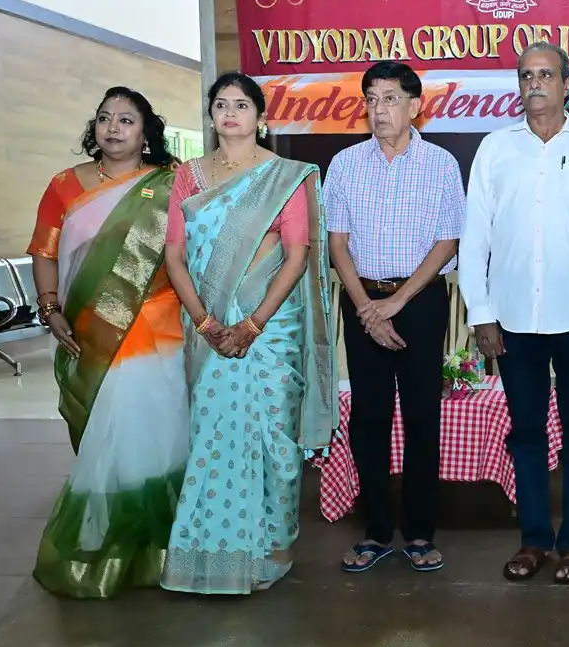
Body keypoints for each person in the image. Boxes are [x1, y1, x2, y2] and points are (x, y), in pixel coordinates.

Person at [460, 42, 569, 584]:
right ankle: (534, 540)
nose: (534, 83)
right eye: (525, 75)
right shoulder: (494, 148)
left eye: (545, 74)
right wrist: (480, 312)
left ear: (566, 84)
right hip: (512, 319)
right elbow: (475, 237)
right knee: (526, 432)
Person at [161, 71, 336, 595]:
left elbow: (298, 253)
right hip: (208, 322)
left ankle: (276, 546)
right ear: (211, 115)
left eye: (241, 104)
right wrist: (207, 322)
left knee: (275, 437)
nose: (230, 113)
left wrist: (254, 323)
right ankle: (213, 552)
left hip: (272, 327)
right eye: (220, 104)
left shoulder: (286, 175)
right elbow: (174, 255)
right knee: (211, 436)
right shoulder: (189, 177)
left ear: (262, 117)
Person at [27, 87, 188, 599]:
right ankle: (104, 543)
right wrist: (50, 307)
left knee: (154, 433)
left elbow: (191, 254)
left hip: (159, 327)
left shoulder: (170, 183)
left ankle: (161, 544)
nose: (113, 128)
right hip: (88, 329)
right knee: (106, 435)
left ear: (147, 134)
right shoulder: (64, 185)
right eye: (104, 119)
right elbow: (44, 252)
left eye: (126, 120)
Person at [324, 61, 466, 573]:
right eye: (370, 99)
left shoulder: (440, 165)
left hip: (420, 302)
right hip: (362, 301)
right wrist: (367, 306)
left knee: (424, 416)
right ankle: (377, 530)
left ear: (414, 105)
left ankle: (421, 532)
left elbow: (447, 241)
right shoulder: (344, 164)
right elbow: (336, 242)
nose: (378, 110)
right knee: (369, 417)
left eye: (389, 98)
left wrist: (396, 303)